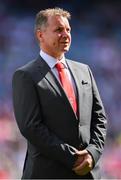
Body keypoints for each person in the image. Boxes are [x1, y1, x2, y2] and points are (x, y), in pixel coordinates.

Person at [12, 7, 107, 179]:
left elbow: (99, 118)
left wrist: (92, 154)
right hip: (47, 173)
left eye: (68, 30)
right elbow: (31, 127)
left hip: (88, 173)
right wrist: (73, 158)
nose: (66, 34)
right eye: (58, 30)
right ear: (40, 35)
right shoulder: (26, 75)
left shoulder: (84, 70)